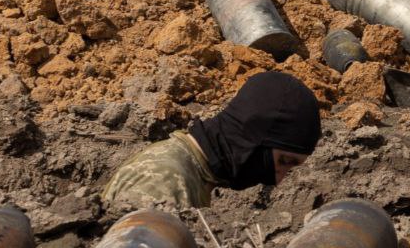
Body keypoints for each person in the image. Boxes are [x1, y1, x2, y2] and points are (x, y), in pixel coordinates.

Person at [103, 71, 321, 208]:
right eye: (284, 161)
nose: (278, 180)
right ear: (251, 138)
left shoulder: (193, 173)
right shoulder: (164, 183)